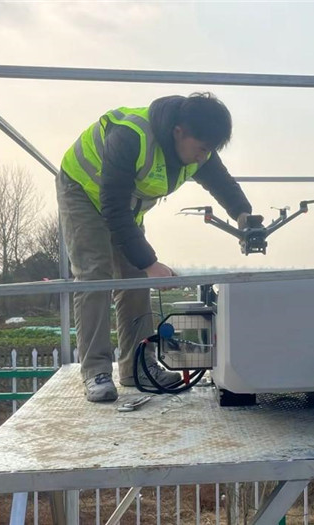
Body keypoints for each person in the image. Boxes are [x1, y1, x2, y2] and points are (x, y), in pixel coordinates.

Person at [57, 93, 254, 402]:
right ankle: (96, 371)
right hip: (82, 189)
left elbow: (223, 183)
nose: (203, 157)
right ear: (179, 132)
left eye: (209, 150)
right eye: (202, 148)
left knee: (135, 280)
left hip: (123, 206)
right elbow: (113, 208)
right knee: (95, 275)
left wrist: (244, 217)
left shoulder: (198, 149)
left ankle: (138, 367)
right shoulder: (131, 136)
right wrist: (150, 263)